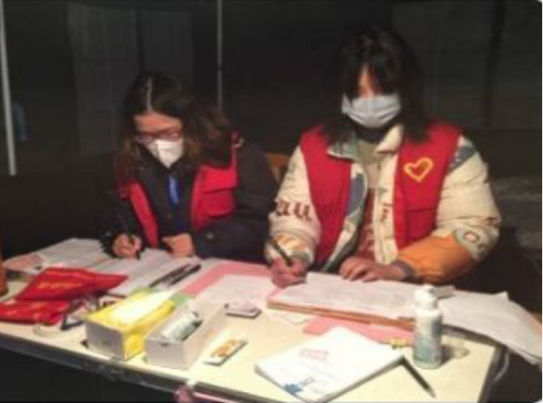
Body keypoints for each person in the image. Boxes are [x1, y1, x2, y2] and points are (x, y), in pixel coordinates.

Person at [266, 26, 501, 287]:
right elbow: (295, 218)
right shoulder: (313, 146)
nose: (369, 102)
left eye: (382, 91)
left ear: (406, 90)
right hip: (330, 282)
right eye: (357, 93)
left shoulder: (451, 147)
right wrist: (293, 257)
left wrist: (400, 268)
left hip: (415, 288)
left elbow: (473, 225)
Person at [102, 71, 276, 262]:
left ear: (193, 123)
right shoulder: (133, 157)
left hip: (228, 263)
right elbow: (119, 213)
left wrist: (202, 241)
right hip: (159, 263)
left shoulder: (237, 154)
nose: (158, 144)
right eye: (145, 135)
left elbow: (261, 221)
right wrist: (121, 237)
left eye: (170, 133)